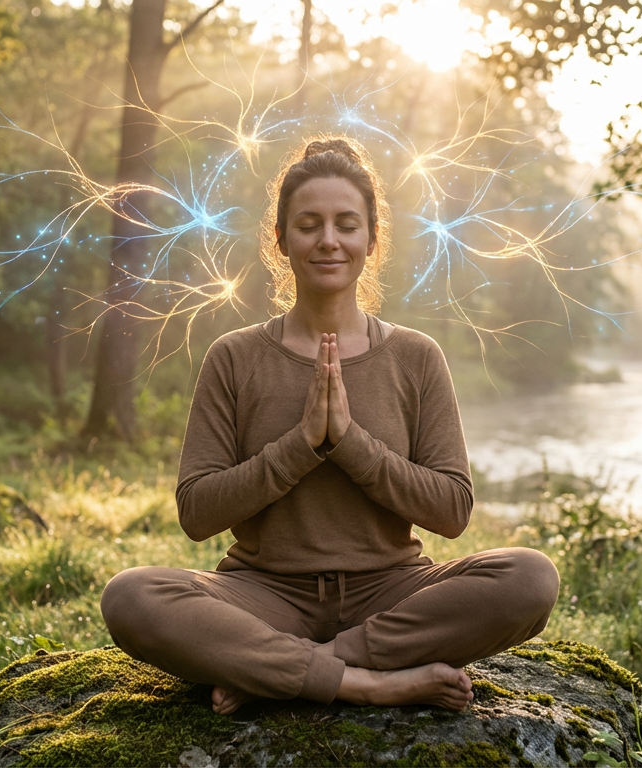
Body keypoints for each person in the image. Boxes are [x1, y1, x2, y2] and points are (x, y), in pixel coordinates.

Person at [100, 136, 560, 715]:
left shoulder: (416, 357)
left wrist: (349, 444)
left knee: (529, 578)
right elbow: (197, 513)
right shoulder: (235, 357)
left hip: (390, 592)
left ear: (371, 238)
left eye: (346, 224)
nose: (328, 240)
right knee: (132, 596)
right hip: (263, 593)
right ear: (280, 239)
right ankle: (366, 682)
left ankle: (284, 668)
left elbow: (452, 511)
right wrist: (299, 446)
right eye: (308, 224)